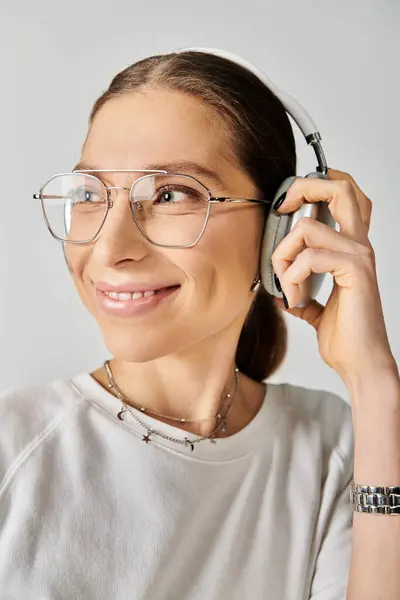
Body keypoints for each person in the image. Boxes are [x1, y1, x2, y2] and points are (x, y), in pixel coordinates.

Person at [0, 49, 398, 600]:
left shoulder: (336, 449)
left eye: (171, 194)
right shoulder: (12, 450)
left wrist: (375, 385)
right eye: (91, 194)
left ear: (283, 229)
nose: (110, 248)